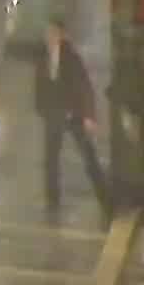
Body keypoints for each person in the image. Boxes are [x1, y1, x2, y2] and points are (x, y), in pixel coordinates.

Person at [35, 33, 109, 215]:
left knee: (88, 156)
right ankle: (52, 200)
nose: (50, 38)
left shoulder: (71, 57)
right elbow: (40, 85)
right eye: (48, 33)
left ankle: (105, 196)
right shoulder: (43, 56)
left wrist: (88, 116)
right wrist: (42, 109)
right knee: (51, 160)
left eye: (53, 33)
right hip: (54, 115)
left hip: (73, 114)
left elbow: (84, 86)